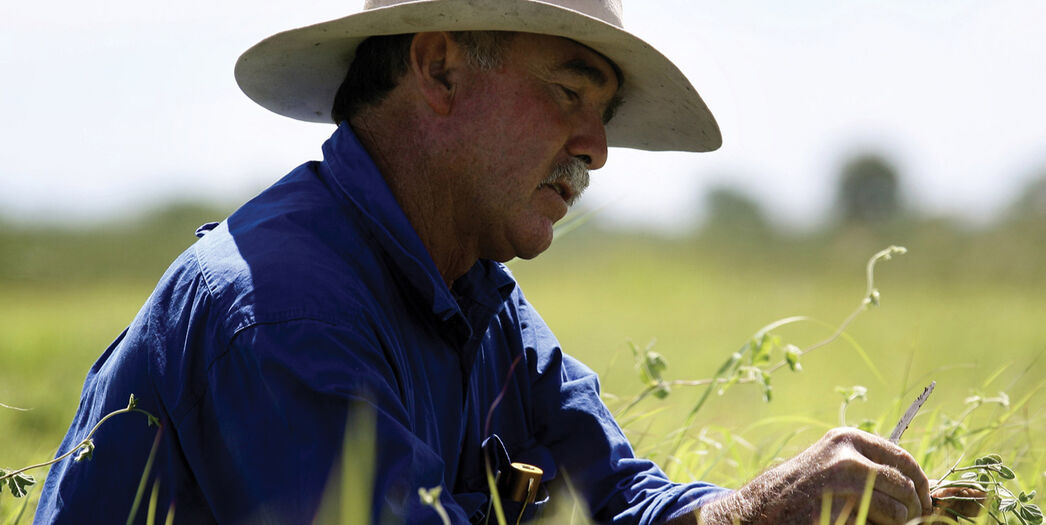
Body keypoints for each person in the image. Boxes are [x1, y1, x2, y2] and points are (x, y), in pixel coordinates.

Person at [34, 0, 934, 523]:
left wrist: (754, 514)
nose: (596, 147)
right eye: (568, 91)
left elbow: (617, 499)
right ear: (439, 71)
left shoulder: (482, 304)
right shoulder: (281, 308)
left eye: (603, 114)